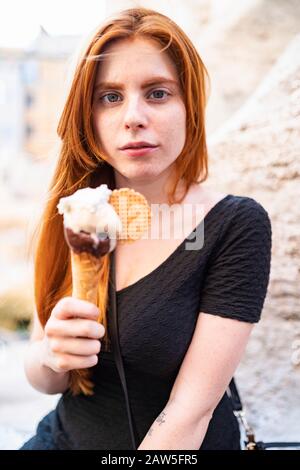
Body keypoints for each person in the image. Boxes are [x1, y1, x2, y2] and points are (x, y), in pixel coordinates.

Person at [20, 7, 272, 450]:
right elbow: (46, 379)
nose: (133, 116)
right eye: (109, 96)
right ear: (88, 114)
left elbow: (189, 414)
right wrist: (50, 354)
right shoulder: (73, 211)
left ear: (189, 105)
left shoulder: (235, 225)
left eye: (157, 93)